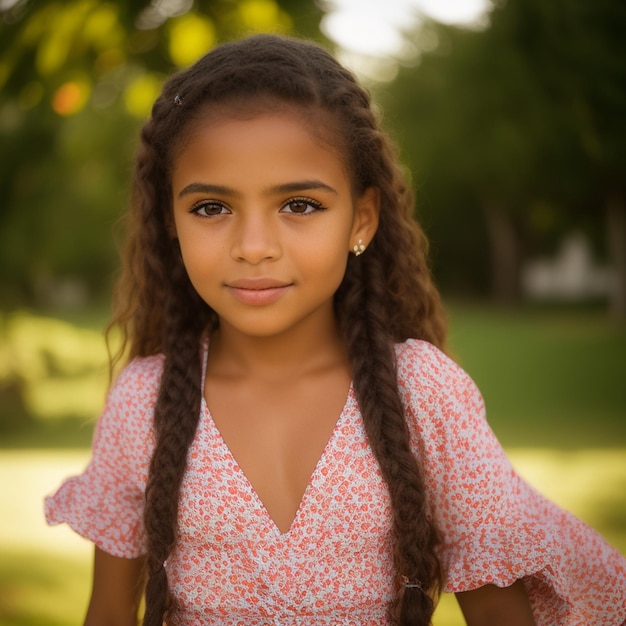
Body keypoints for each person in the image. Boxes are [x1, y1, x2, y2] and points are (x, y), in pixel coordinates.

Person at [45, 34, 626, 626]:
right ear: (171, 222)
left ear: (363, 219)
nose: (253, 248)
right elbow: (110, 611)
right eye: (211, 208)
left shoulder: (424, 396)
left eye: (299, 205)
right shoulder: (142, 403)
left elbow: (502, 613)